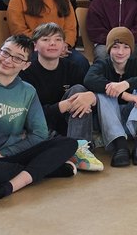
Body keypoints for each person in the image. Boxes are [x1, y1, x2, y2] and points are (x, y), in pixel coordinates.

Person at [0, 35, 81, 206]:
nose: (8, 60)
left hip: (10, 154)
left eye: (18, 58)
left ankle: (10, 186)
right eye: (5, 53)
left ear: (26, 65)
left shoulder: (28, 91)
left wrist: (2, 153)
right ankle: (45, 169)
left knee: (68, 143)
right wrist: (18, 138)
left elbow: (39, 134)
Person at [20, 23, 101, 169]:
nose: (52, 43)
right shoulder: (26, 72)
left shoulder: (73, 68)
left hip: (69, 125)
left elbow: (89, 108)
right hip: (41, 127)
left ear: (64, 45)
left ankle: (78, 148)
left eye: (58, 39)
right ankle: (73, 148)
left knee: (80, 90)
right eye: (46, 39)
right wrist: (62, 106)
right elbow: (29, 115)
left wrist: (92, 97)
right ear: (35, 46)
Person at [84, 27, 137, 167]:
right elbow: (89, 80)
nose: (120, 52)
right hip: (109, 123)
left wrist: (126, 84)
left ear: (131, 49)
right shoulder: (102, 64)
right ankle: (120, 146)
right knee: (104, 90)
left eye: (126, 47)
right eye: (115, 47)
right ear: (109, 49)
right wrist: (123, 94)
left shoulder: (136, 63)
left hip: (133, 120)